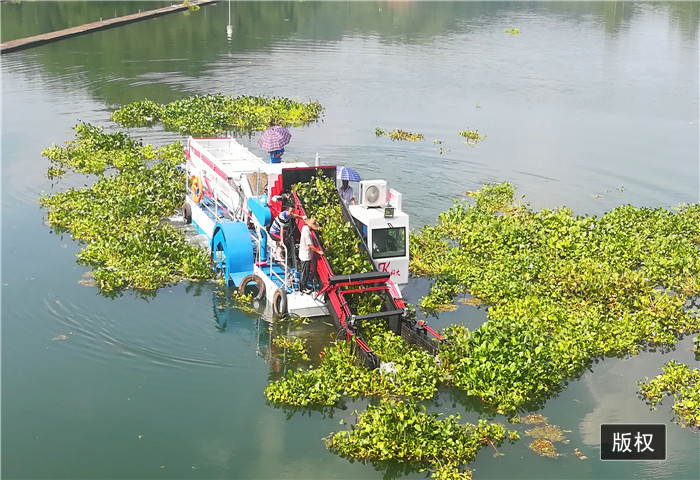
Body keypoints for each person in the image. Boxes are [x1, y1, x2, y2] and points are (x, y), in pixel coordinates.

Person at [298, 217, 323, 294]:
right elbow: (310, 246)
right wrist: (318, 251)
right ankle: (303, 287)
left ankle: (304, 285)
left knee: (305, 271)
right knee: (305, 272)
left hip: (303, 253)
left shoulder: (304, 227)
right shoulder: (307, 233)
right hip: (305, 256)